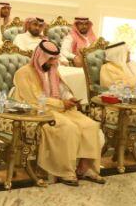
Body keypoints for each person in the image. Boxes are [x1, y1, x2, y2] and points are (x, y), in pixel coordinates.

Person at [12, 42, 105, 186]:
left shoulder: (53, 70)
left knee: (90, 125)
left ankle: (84, 168)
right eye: (50, 59)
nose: (54, 62)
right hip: (38, 111)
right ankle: (65, 171)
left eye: (55, 59)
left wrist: (69, 98)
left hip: (59, 109)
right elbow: (34, 99)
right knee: (69, 128)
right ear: (40, 57)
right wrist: (61, 104)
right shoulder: (24, 73)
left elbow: (62, 89)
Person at [14, 17, 87, 101]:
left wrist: (63, 60)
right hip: (33, 67)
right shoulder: (20, 37)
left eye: (40, 26)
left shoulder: (44, 39)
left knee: (80, 73)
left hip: (50, 67)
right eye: (35, 25)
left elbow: (55, 52)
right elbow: (22, 55)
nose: (37, 28)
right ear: (28, 25)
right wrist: (61, 104)